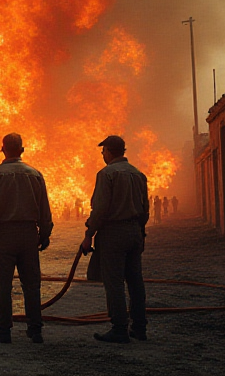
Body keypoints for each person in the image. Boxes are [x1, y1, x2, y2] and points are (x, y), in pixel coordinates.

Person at [0, 133, 54, 344]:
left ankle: (3, 330)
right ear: (22, 150)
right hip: (29, 234)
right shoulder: (35, 174)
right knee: (32, 284)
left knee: (2, 285)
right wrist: (45, 233)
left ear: (3, 150)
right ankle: (35, 330)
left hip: (4, 236)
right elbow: (44, 209)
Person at [81, 135, 149, 343]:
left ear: (109, 151)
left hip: (114, 234)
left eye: (103, 152)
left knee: (114, 282)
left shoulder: (107, 174)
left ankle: (119, 328)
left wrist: (88, 236)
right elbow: (146, 209)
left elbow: (100, 209)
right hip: (135, 232)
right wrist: (141, 232)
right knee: (135, 281)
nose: (102, 155)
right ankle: (139, 327)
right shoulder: (138, 174)